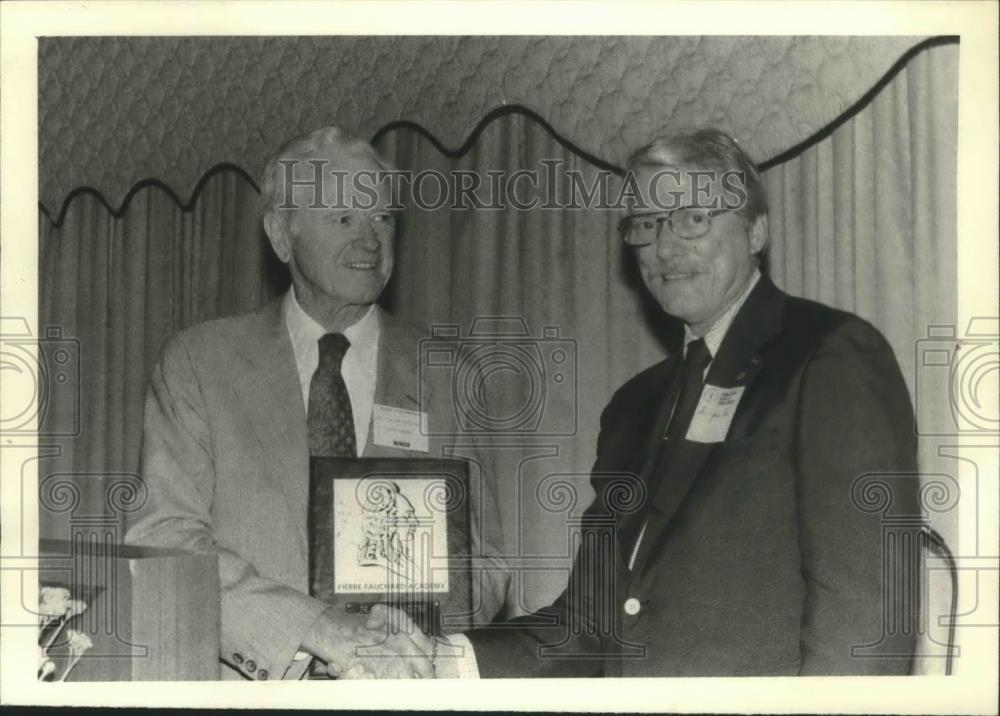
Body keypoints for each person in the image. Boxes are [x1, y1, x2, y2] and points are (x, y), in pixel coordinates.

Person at [450, 128, 919, 677]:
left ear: (756, 230)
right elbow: (587, 625)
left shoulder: (828, 355)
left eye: (693, 218)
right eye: (645, 225)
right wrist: (443, 659)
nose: (665, 247)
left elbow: (866, 614)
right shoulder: (633, 406)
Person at [126, 126, 508, 680]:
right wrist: (319, 631)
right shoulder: (199, 364)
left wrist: (399, 637)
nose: (370, 240)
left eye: (382, 218)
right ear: (282, 235)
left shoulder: (445, 374)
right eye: (343, 218)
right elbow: (163, 541)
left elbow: (487, 563)